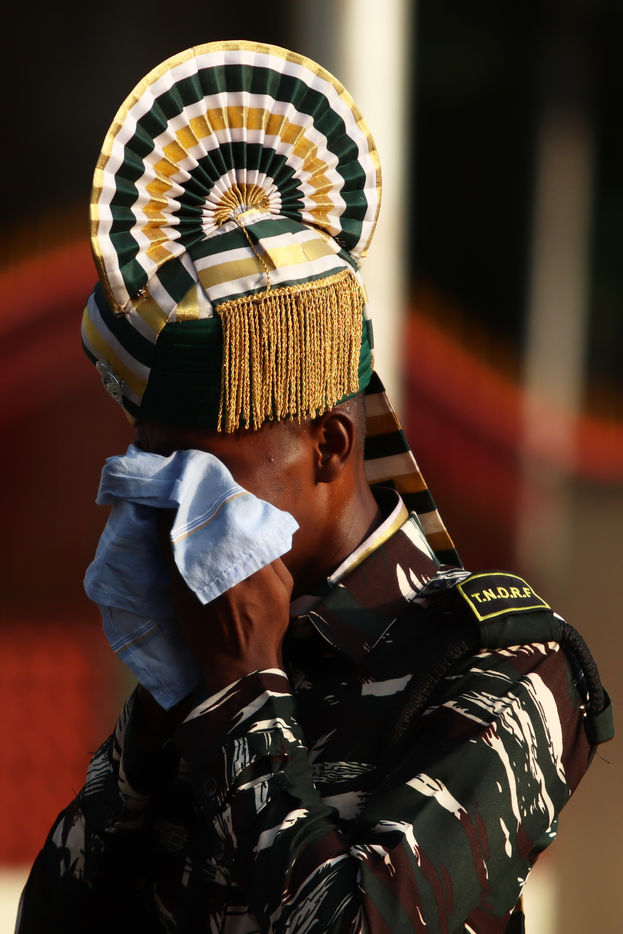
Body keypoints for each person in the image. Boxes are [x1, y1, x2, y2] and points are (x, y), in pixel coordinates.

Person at [17, 41, 612, 934]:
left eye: (204, 467)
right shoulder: (201, 654)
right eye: (155, 466)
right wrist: (158, 720)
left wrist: (243, 698)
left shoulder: (501, 664)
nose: (170, 504)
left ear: (329, 446)